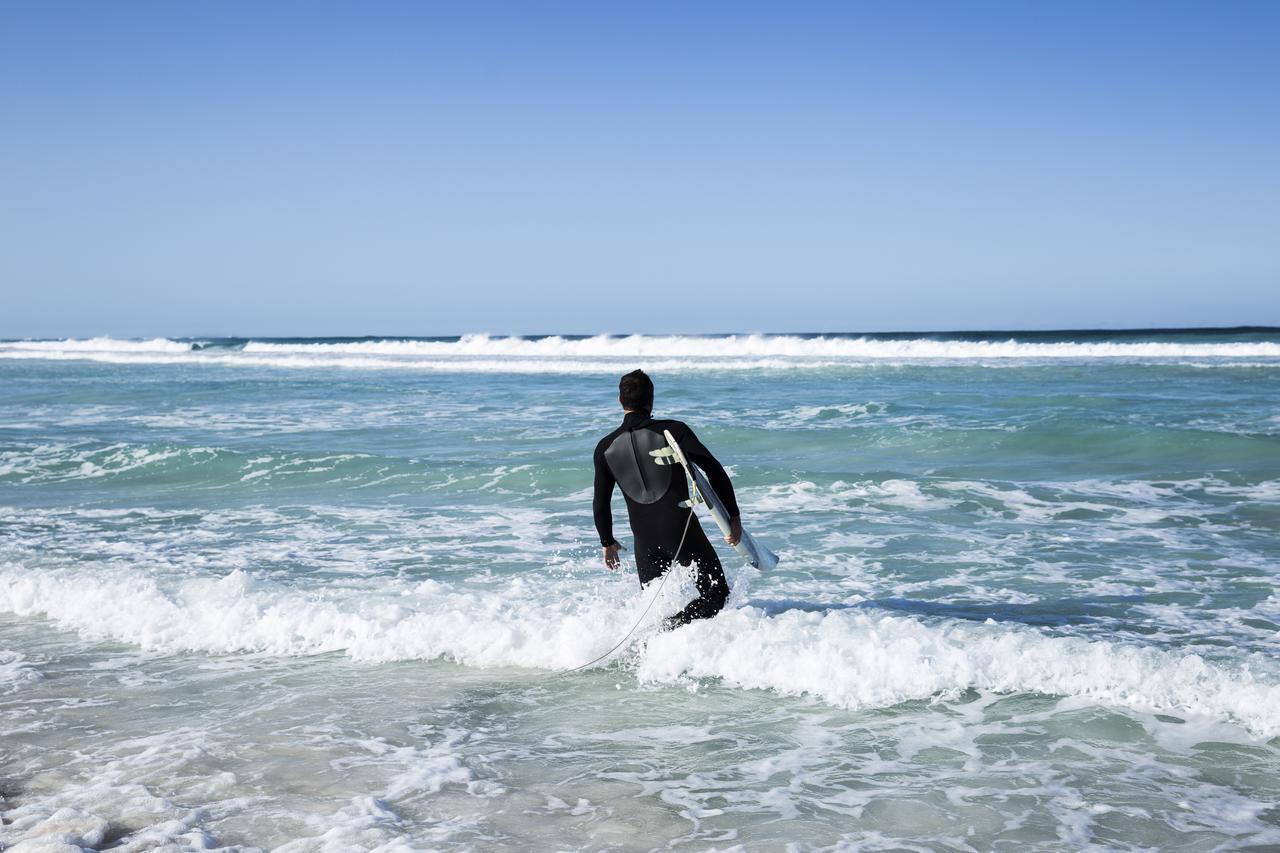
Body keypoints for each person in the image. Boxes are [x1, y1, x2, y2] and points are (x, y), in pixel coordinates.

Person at [592, 369, 741, 627]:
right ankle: (673, 629)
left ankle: (658, 643)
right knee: (716, 596)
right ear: (651, 400)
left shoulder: (605, 447)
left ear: (620, 401)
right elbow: (713, 469)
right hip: (680, 531)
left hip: (644, 540)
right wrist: (734, 518)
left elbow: (600, 502)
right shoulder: (673, 431)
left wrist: (607, 541)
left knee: (654, 610)